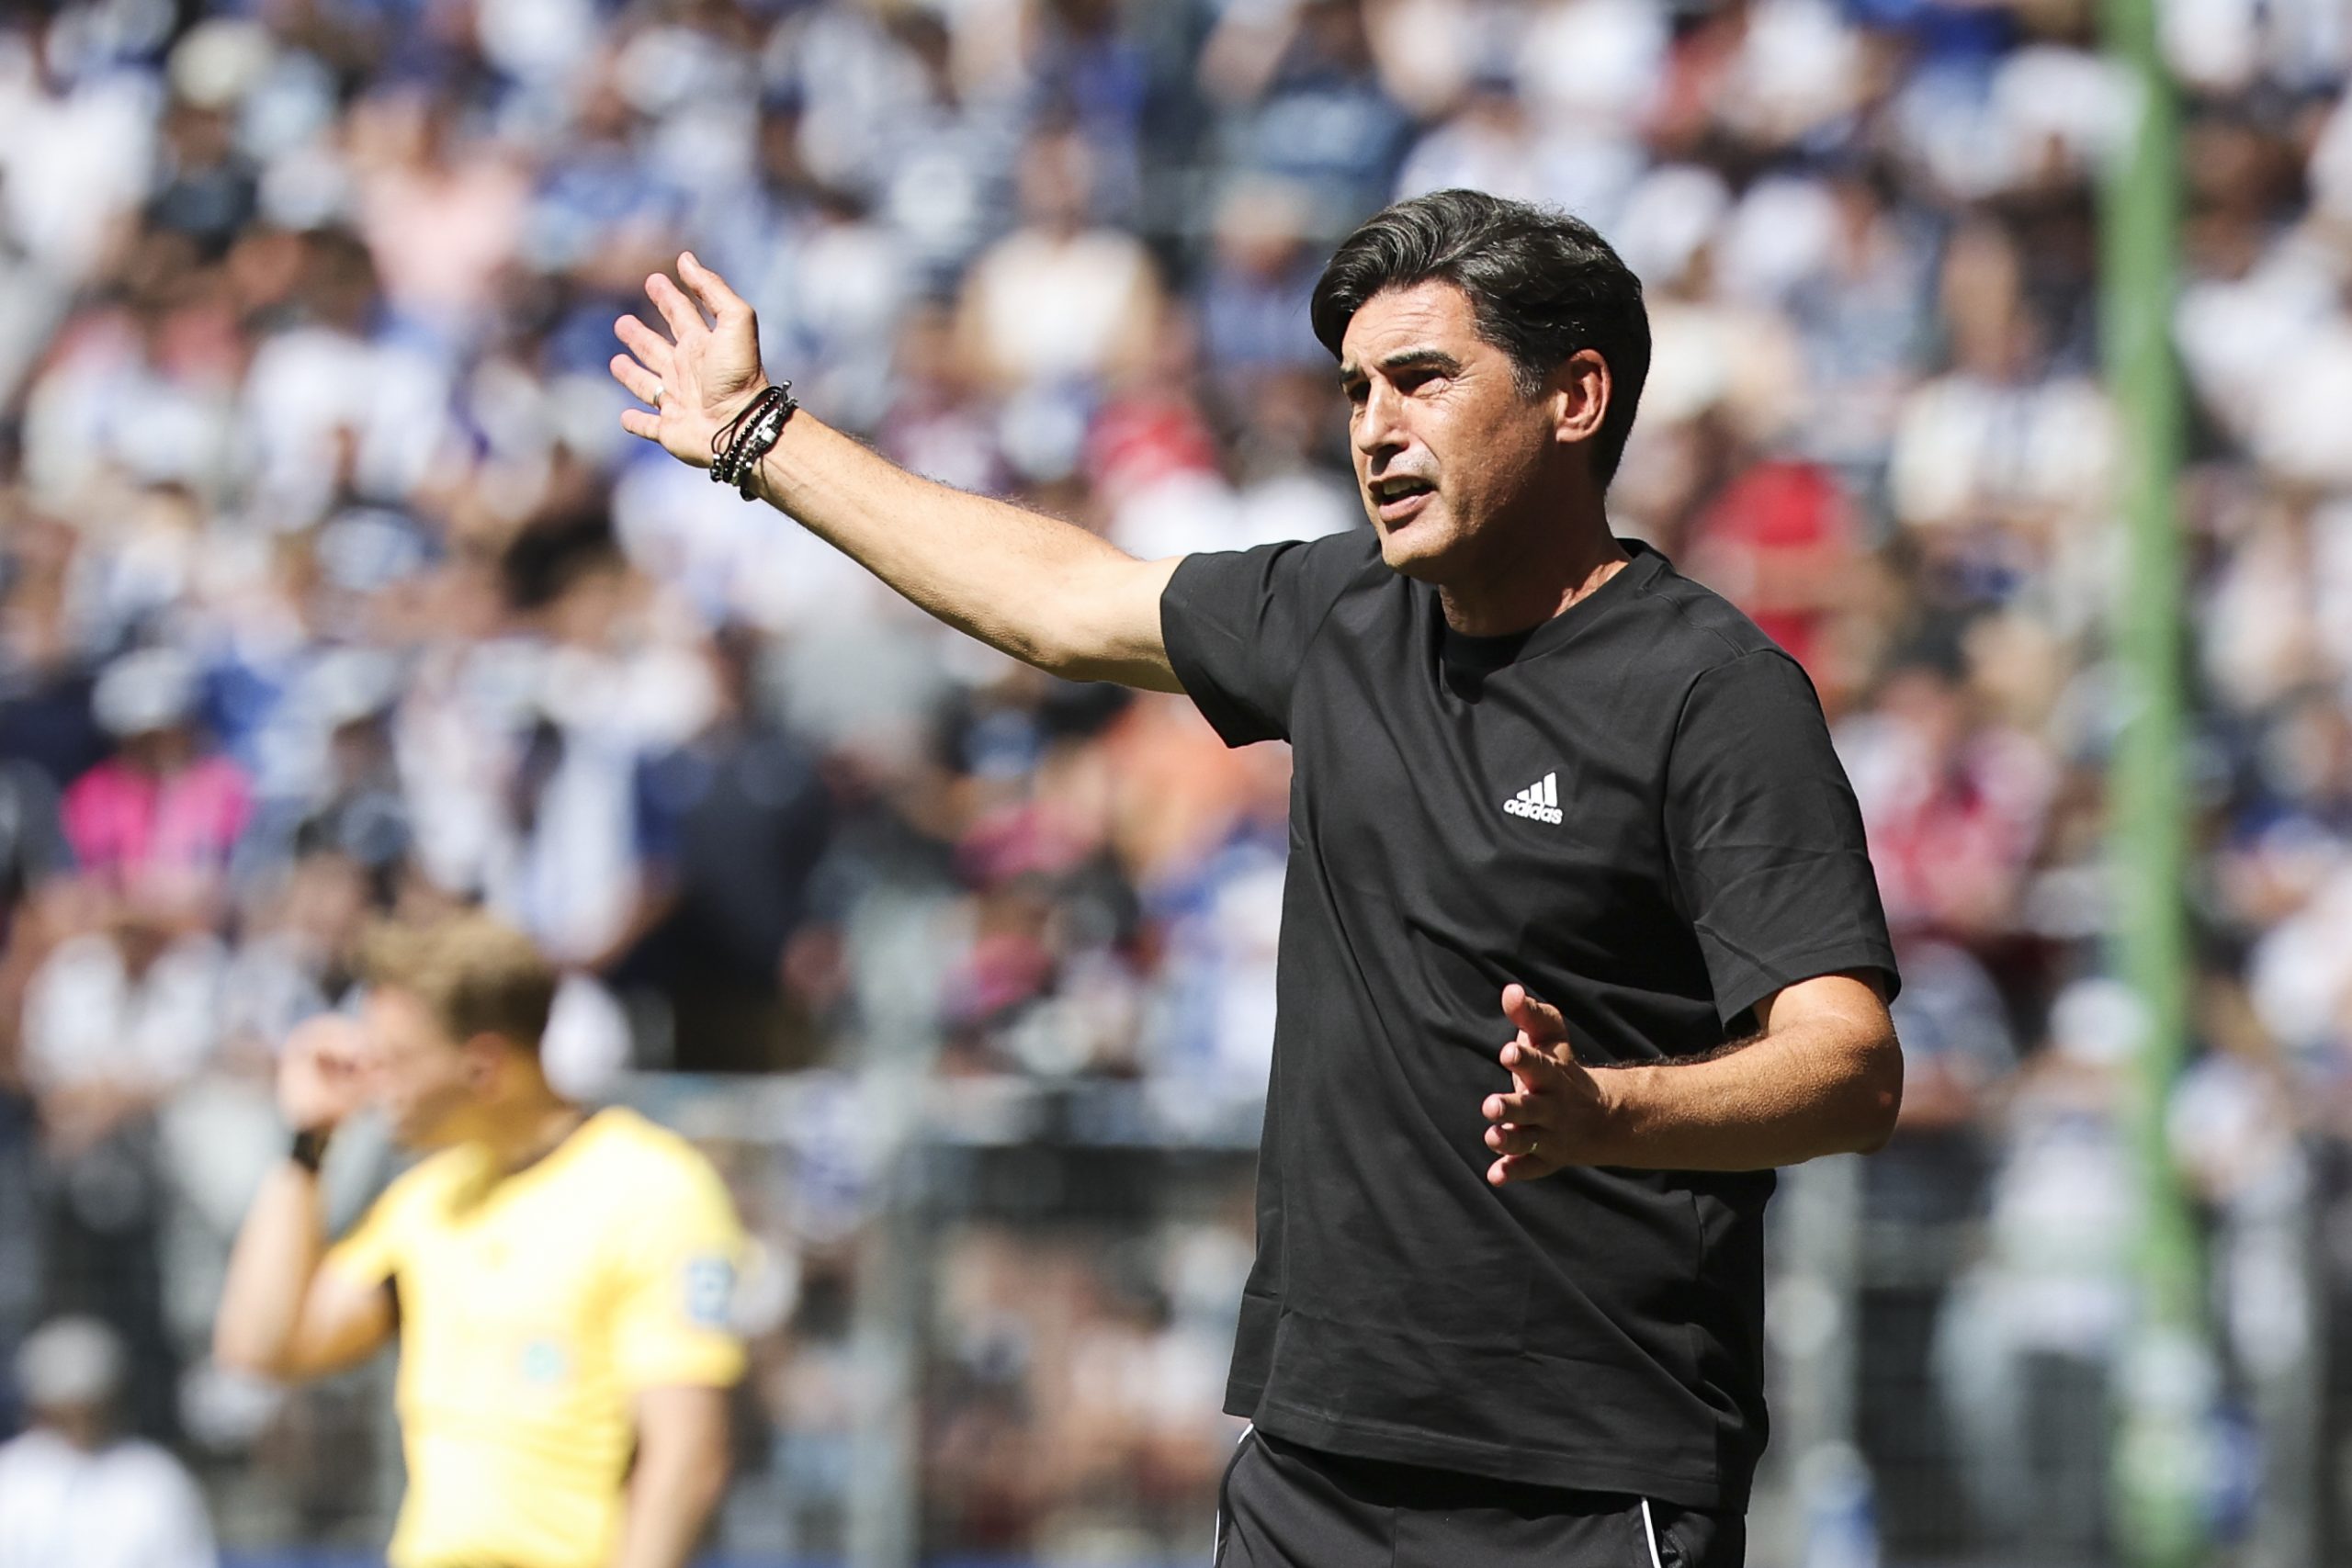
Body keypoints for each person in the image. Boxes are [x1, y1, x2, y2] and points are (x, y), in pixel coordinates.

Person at [609, 186, 1902, 1567]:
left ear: (1577, 396)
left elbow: (1851, 1062)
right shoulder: (1341, 614)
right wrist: (761, 434)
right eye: (1355, 391)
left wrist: (1614, 1110)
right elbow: (1054, 599)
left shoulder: (1713, 692)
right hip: (1311, 1452)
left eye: (1423, 379)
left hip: (1580, 1474)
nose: (1374, 428)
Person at [212, 912, 746, 1568]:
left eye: (398, 1058)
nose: (375, 1080)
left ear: (485, 1065)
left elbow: (686, 1457)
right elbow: (262, 1346)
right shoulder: (429, 1201)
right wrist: (308, 1141)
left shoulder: (651, 1190)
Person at [0, 1315, 215, 1568]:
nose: (78, 1412)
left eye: (88, 1402)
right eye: (66, 1402)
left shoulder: (157, 1477)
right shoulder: (12, 1471)